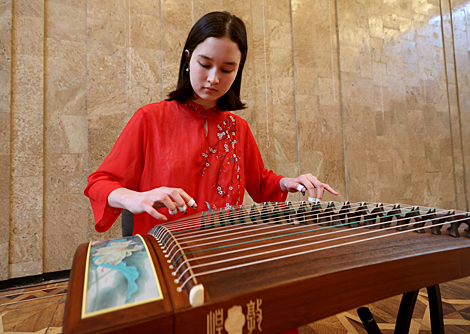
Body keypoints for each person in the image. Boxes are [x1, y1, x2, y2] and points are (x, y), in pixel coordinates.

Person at [84, 11, 338, 333]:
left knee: (274, 315)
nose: (213, 78)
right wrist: (135, 198)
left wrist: (290, 181)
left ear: (238, 71)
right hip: (168, 261)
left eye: (227, 69)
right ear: (188, 58)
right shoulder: (150, 119)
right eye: (205, 64)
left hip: (224, 254)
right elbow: (101, 182)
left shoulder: (237, 128)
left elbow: (260, 183)